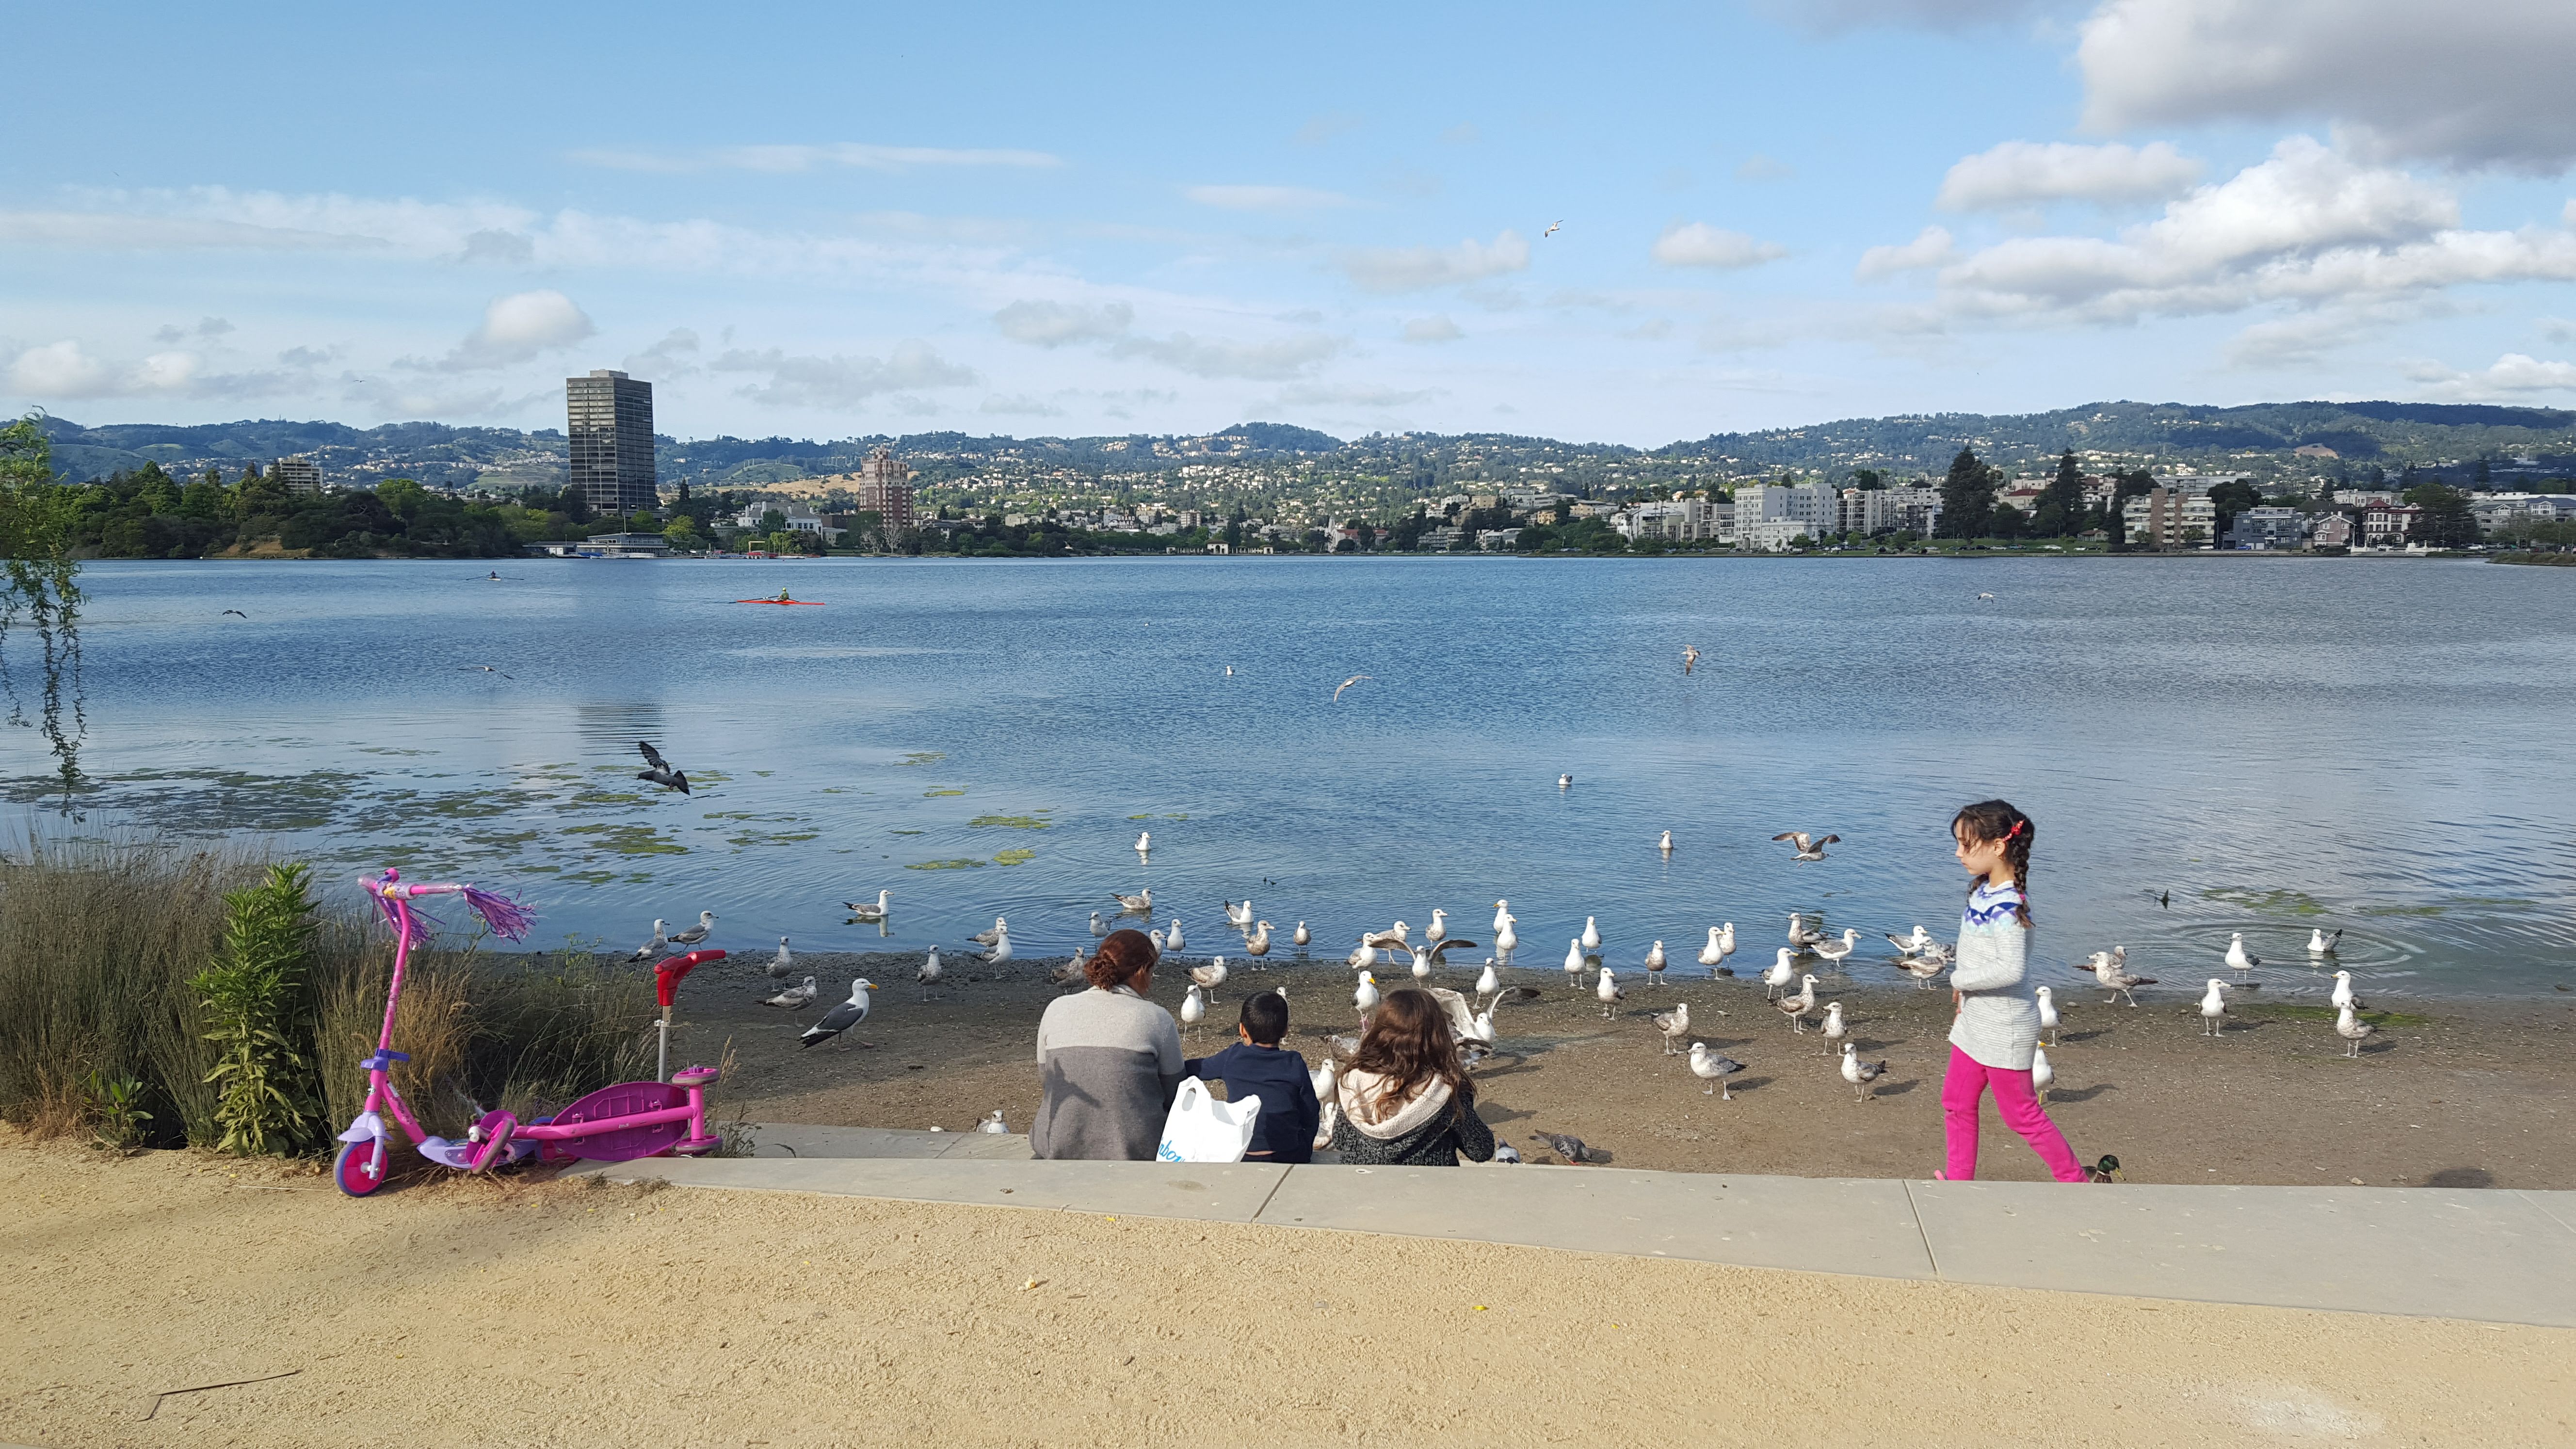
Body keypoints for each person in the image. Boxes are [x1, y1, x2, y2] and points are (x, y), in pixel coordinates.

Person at [1940, 799, 2089, 1183]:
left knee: (2021, 1114)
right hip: (1975, 1021)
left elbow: (2011, 970)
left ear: (1998, 847)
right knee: (1956, 1103)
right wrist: (1965, 995)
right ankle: (1958, 1184)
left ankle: (2076, 1182)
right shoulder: (1982, 892)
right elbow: (1979, 957)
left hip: (2005, 1027)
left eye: (1966, 845)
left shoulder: (2009, 905)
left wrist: (1959, 981)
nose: (1958, 853)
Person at [1032, 929, 1181, 1160]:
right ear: (1141, 972)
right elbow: (1175, 1093)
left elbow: (1048, 1079)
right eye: (1151, 972)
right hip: (1133, 1151)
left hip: (1057, 1143)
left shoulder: (1056, 1009)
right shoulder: (1157, 1018)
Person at [1325, 987, 1495, 1166]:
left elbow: (1341, 1139)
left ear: (1380, 1030)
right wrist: (1462, 1097)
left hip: (1362, 1181)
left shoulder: (1354, 1080)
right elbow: (1481, 1150)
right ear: (1436, 1035)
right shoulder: (1444, 1087)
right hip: (1427, 1183)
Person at [1182, 992, 1320, 1163]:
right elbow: (1311, 1110)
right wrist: (1306, 1145)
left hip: (1241, 1152)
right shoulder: (1293, 1062)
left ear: (1242, 1030)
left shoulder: (1233, 1057)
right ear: (1286, 1030)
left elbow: (1196, 1069)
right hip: (1287, 1153)